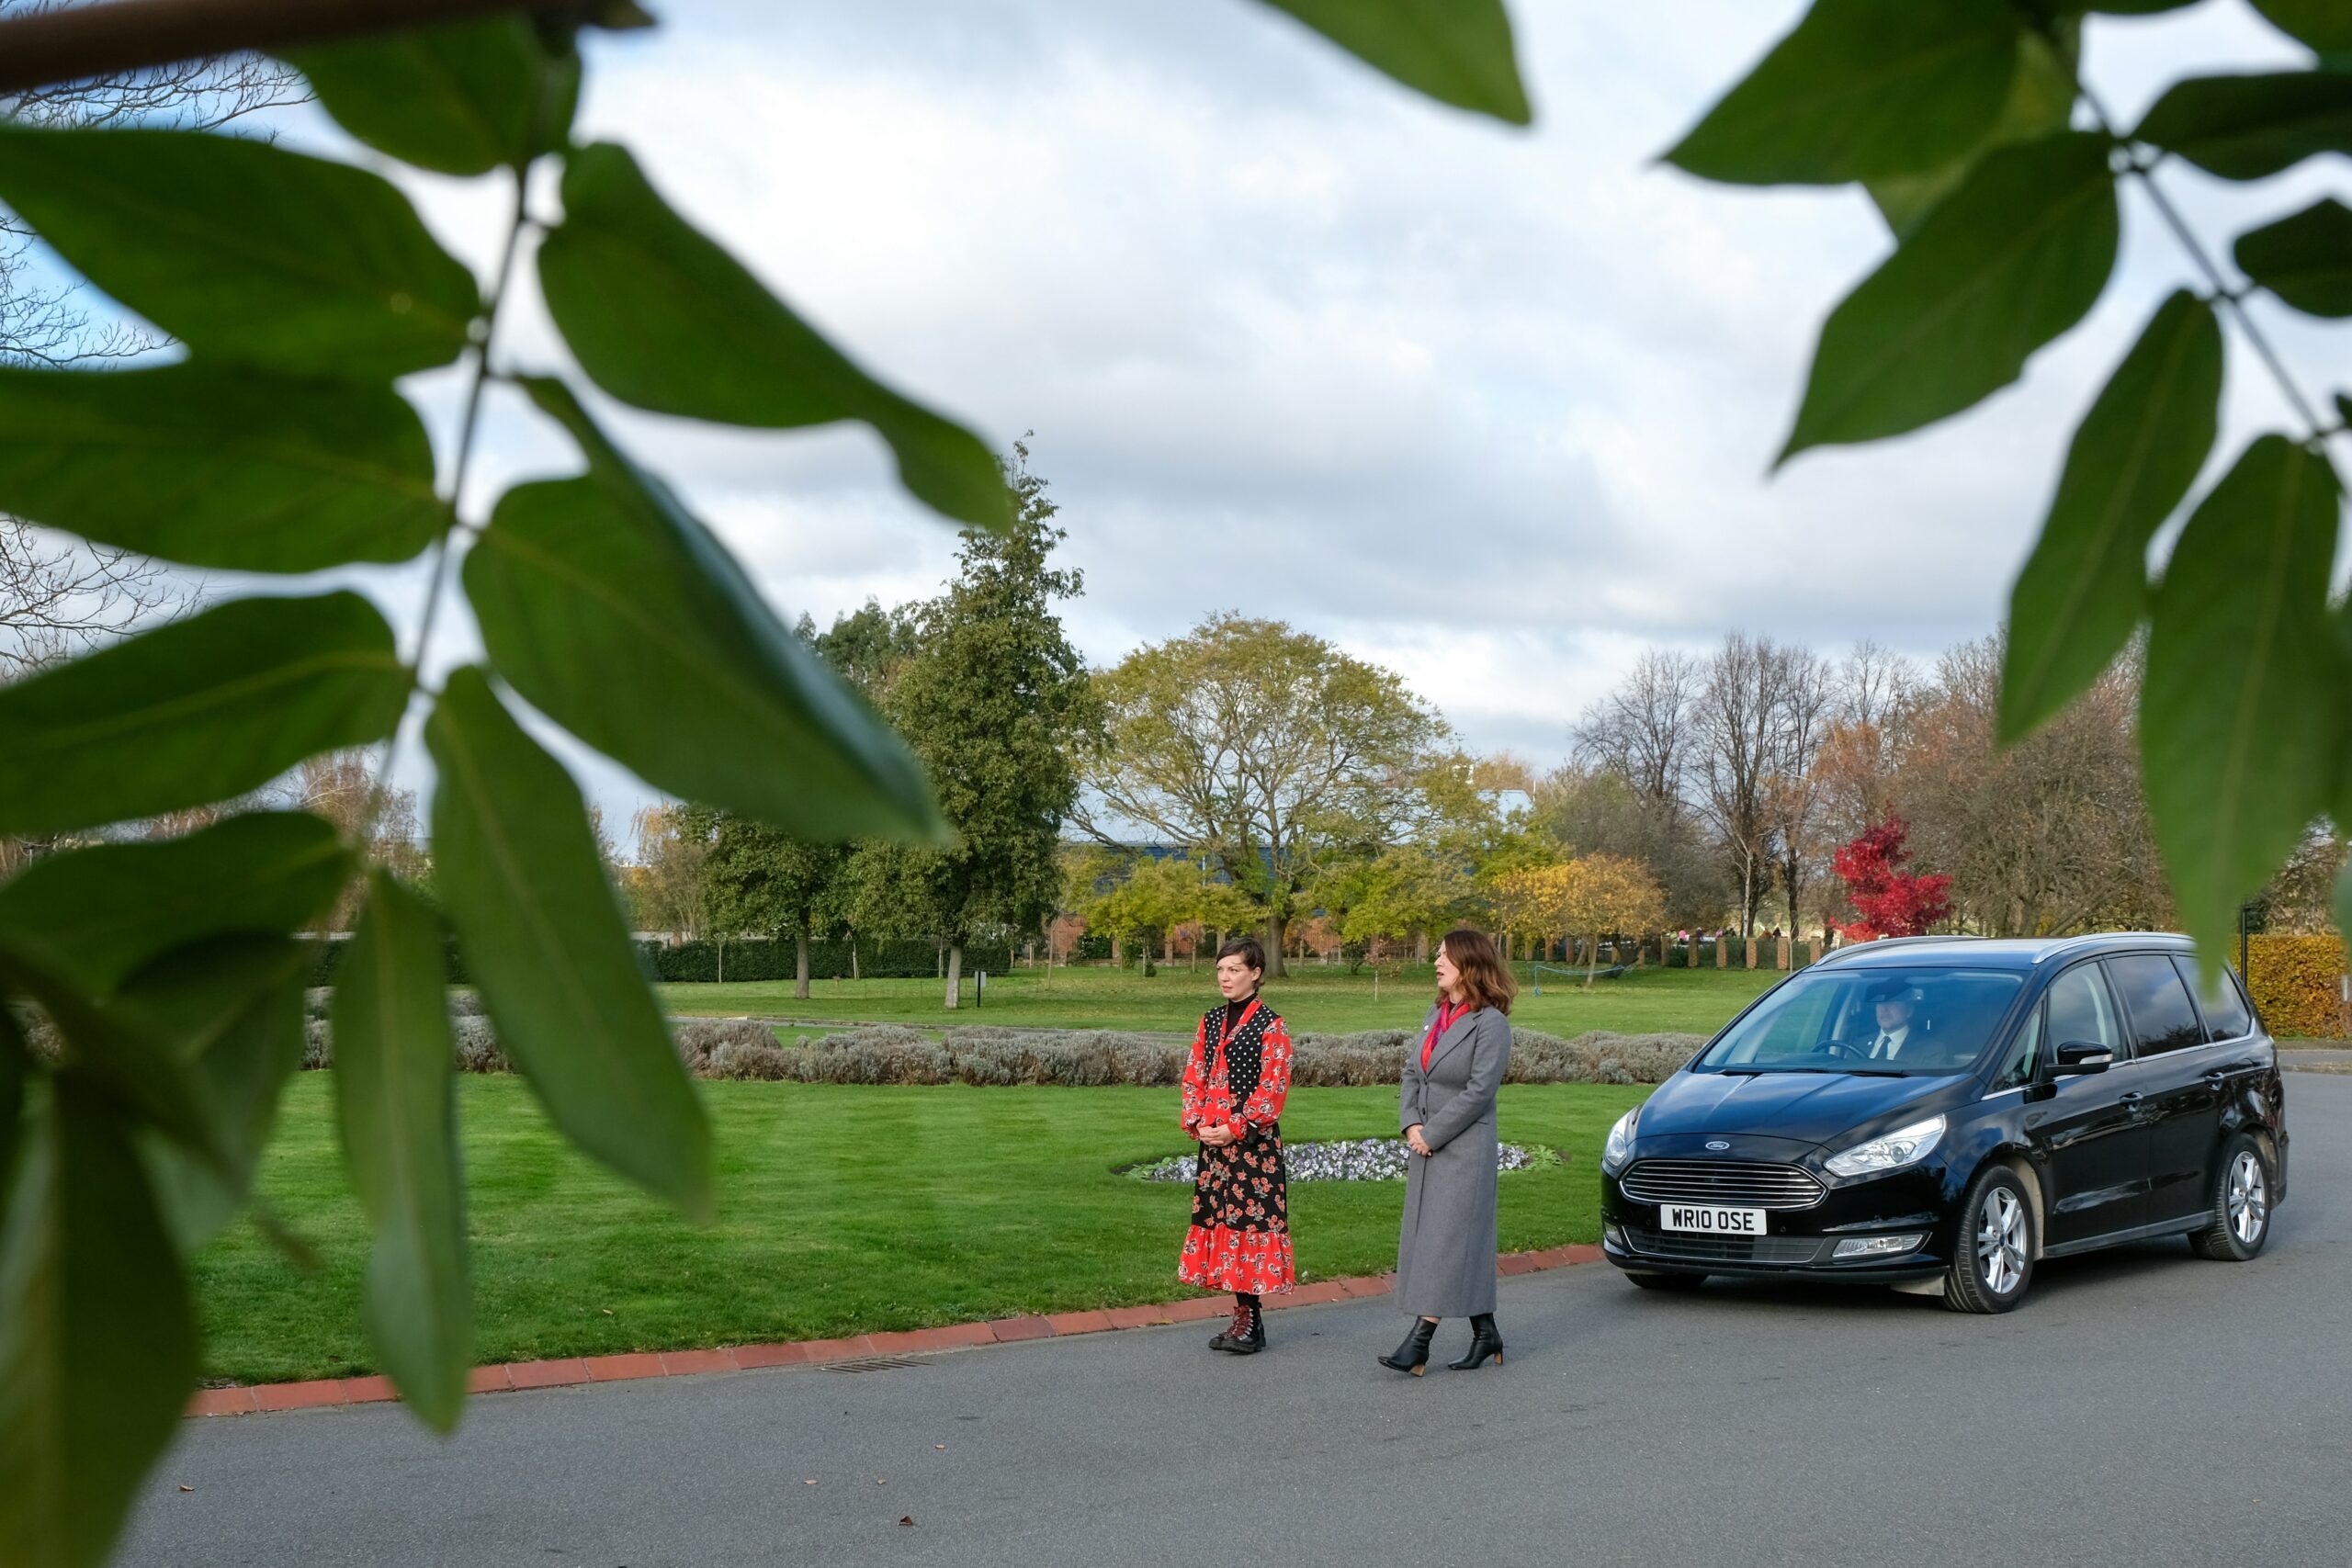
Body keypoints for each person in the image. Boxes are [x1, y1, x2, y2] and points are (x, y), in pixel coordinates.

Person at [1382, 927, 1515, 1375]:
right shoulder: (1435, 1013)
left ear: (1469, 964)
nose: (1436, 962)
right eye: (1437, 954)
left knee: (1445, 1243)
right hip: (1427, 1145)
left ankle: (1419, 1342)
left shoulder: (1491, 1024)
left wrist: (1432, 1132)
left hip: (1463, 1150)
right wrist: (1411, 1123)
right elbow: (1410, 1073)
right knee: (1447, 1242)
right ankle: (1486, 1333)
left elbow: (1479, 1092)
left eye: (1444, 956)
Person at [1177, 935, 1295, 1353]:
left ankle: (1251, 1321)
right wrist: (1197, 1121)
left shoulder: (1271, 1026)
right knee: (1223, 1226)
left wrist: (1237, 1126)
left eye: (1234, 970)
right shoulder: (1209, 1021)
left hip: (1252, 1148)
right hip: (1215, 1146)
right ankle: (1244, 1320)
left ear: (1256, 973)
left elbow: (1273, 1089)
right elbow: (1195, 1074)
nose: (1225, 978)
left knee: (1250, 1227)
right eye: (1221, 970)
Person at [1866, 980, 1920, 1060]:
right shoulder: (1857, 1044)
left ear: (1909, 1011)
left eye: (1892, 1002)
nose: (1884, 1009)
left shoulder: (1930, 1049)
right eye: (1880, 1002)